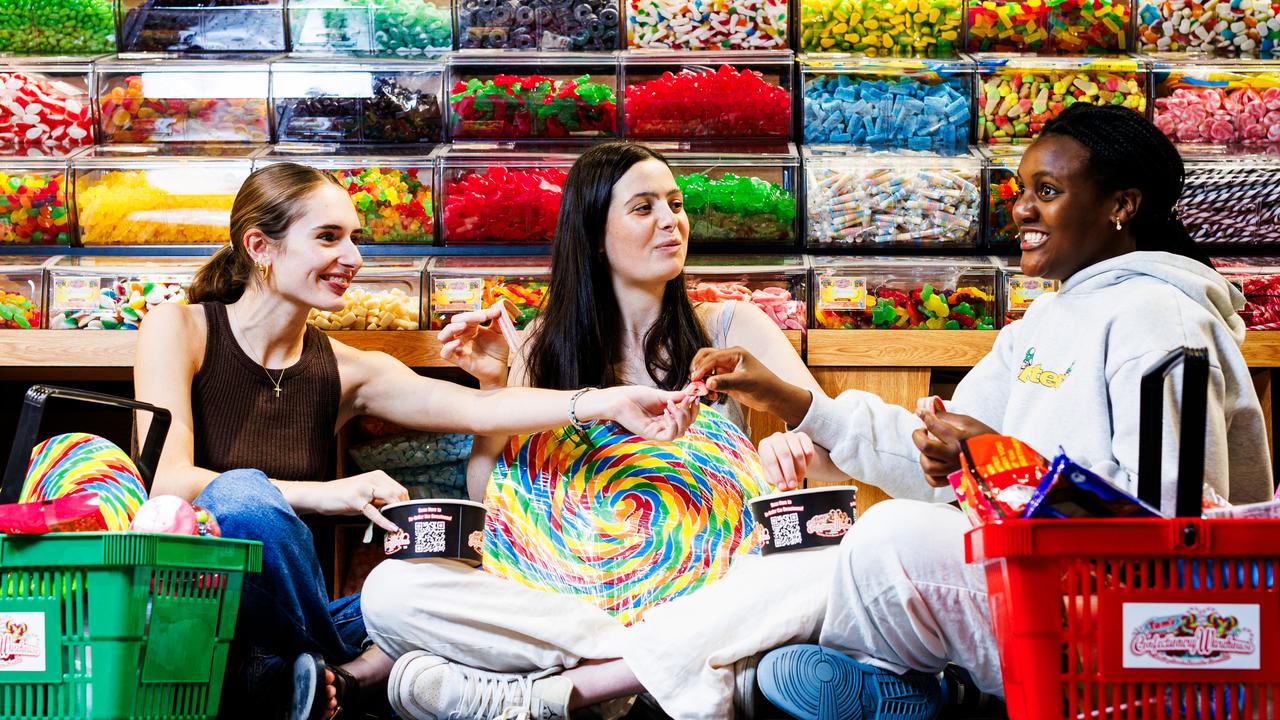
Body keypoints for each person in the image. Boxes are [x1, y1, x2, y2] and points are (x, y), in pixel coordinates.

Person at [688, 103, 1276, 720]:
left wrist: (999, 463)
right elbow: (932, 456)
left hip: (1148, 629)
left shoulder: (1162, 321)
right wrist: (786, 397)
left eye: (1046, 192)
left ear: (1121, 206)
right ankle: (928, 689)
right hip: (1048, 588)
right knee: (877, 539)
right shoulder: (1048, 317)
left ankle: (926, 691)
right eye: (1022, 191)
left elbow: (1167, 528)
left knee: (889, 540)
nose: (1021, 209)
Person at [132, 162, 699, 720]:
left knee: (427, 586)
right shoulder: (178, 328)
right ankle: (333, 676)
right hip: (189, 603)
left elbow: (480, 411)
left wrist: (598, 400)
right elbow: (171, 481)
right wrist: (323, 493)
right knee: (244, 502)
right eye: (329, 238)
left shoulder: (352, 370)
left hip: (295, 613)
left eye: (354, 239)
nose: (352, 259)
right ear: (260, 246)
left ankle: (308, 683)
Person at [359, 141, 833, 720]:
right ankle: (661, 668)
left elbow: (831, 466)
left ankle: (555, 693)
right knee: (390, 593)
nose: (671, 220)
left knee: (827, 571)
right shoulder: (543, 343)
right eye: (643, 208)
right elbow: (493, 505)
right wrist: (492, 386)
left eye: (676, 204)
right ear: (593, 235)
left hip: (709, 586)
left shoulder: (734, 325)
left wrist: (790, 452)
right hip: (571, 597)